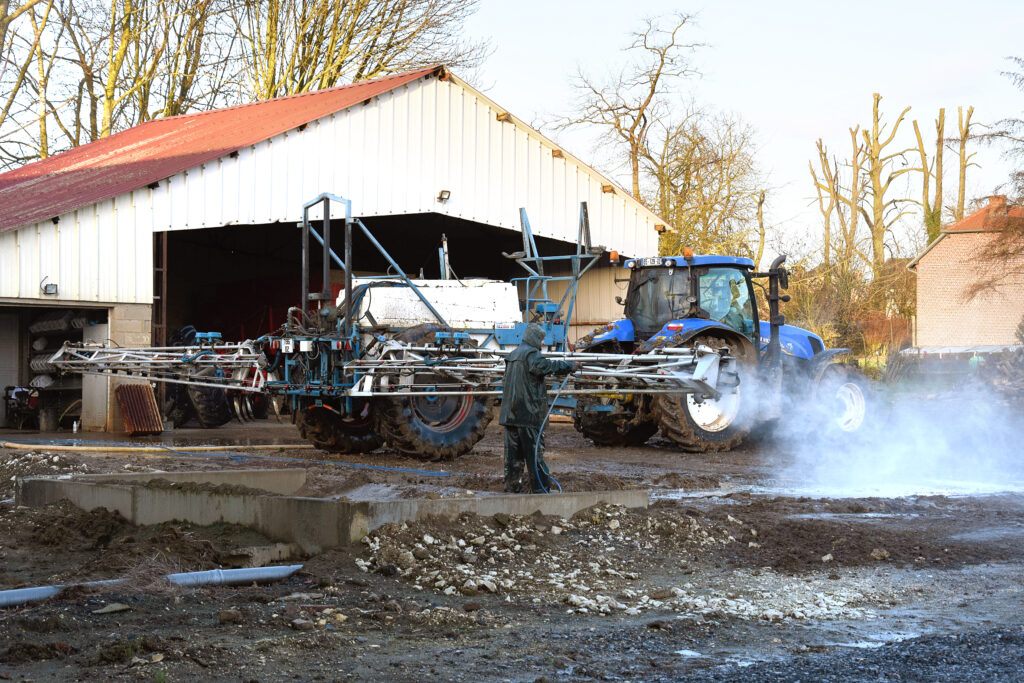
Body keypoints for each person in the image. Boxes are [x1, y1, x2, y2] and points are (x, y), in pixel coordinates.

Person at [499, 323, 576, 493]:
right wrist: (570, 366)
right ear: (534, 338)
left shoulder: (512, 355)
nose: (542, 344)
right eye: (541, 339)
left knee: (513, 457)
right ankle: (541, 490)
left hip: (510, 415)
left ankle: (512, 488)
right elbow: (548, 366)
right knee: (534, 455)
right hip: (528, 415)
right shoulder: (531, 355)